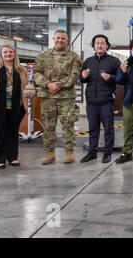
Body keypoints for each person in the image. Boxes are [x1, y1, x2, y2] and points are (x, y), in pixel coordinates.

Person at [33, 29, 82, 165]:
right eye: (58, 38)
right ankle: (50, 153)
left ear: (67, 40)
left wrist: (58, 85)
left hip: (66, 97)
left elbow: (74, 76)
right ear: (53, 39)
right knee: (48, 125)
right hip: (47, 96)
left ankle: (69, 151)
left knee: (68, 125)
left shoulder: (74, 57)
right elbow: (36, 73)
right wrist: (48, 84)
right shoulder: (43, 55)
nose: (60, 40)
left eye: (63, 38)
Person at [0, 44, 34, 169]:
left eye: (10, 52)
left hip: (16, 107)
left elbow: (26, 85)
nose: (8, 54)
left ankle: (12, 158)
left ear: (15, 54)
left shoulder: (21, 70)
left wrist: (29, 90)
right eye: (5, 52)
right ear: (1, 54)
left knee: (13, 132)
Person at [79, 34, 121, 164]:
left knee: (108, 129)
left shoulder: (114, 61)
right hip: (91, 101)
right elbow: (81, 79)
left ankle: (107, 154)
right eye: (97, 43)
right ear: (93, 46)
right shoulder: (88, 61)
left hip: (106, 101)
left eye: (102, 43)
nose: (100, 45)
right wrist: (83, 76)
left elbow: (120, 78)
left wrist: (111, 78)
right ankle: (92, 152)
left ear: (107, 45)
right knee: (93, 128)